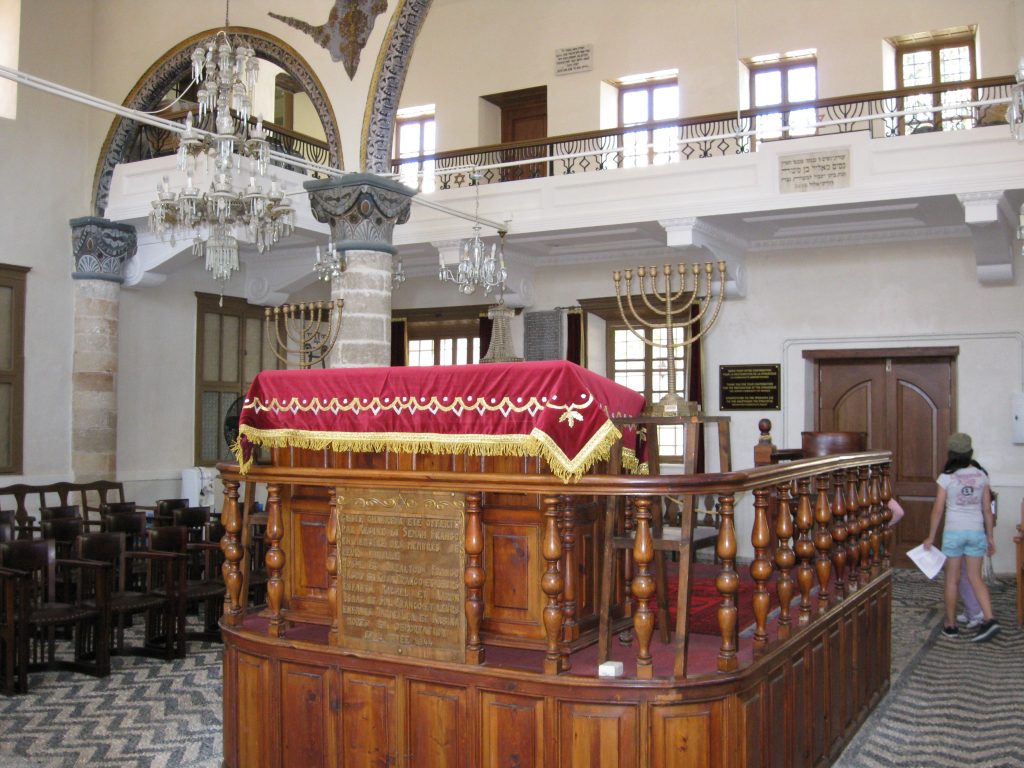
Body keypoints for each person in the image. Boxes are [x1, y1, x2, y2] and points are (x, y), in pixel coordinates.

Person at [922, 432, 1000, 642]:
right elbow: (987, 509)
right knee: (976, 578)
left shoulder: (946, 477)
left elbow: (938, 510)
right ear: (970, 453)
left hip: (954, 533)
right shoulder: (981, 476)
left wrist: (930, 537)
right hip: (976, 532)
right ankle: (990, 619)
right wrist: (990, 537)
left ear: (951, 453)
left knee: (952, 580)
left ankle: (951, 625)